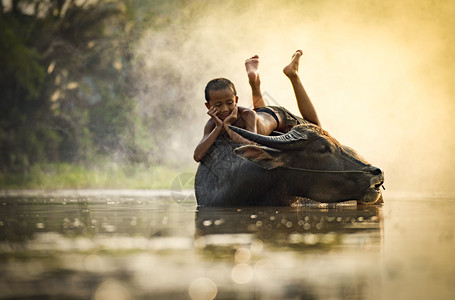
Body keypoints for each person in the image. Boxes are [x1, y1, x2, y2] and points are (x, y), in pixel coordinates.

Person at [193, 50, 321, 162]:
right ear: (208, 106)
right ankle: (254, 82)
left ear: (236, 100)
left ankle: (293, 75)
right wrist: (219, 127)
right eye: (218, 105)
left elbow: (253, 148)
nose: (225, 109)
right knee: (260, 112)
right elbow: (197, 156)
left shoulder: (247, 115)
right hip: (262, 114)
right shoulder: (212, 124)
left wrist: (228, 127)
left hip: (277, 117)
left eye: (229, 103)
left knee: (316, 128)